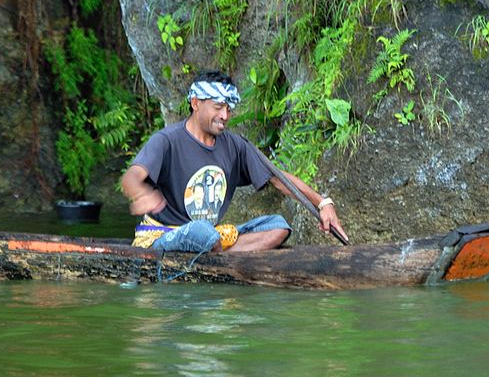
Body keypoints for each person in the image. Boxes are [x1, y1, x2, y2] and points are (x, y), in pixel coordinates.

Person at [121, 71, 347, 252]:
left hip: (212, 235)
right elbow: (132, 177)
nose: (225, 116)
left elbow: (278, 179)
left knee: (278, 226)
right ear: (196, 103)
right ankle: (216, 248)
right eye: (218, 107)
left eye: (228, 109)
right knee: (202, 232)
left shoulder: (235, 145)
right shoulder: (167, 140)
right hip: (166, 237)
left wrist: (322, 203)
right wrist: (142, 193)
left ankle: (219, 252)